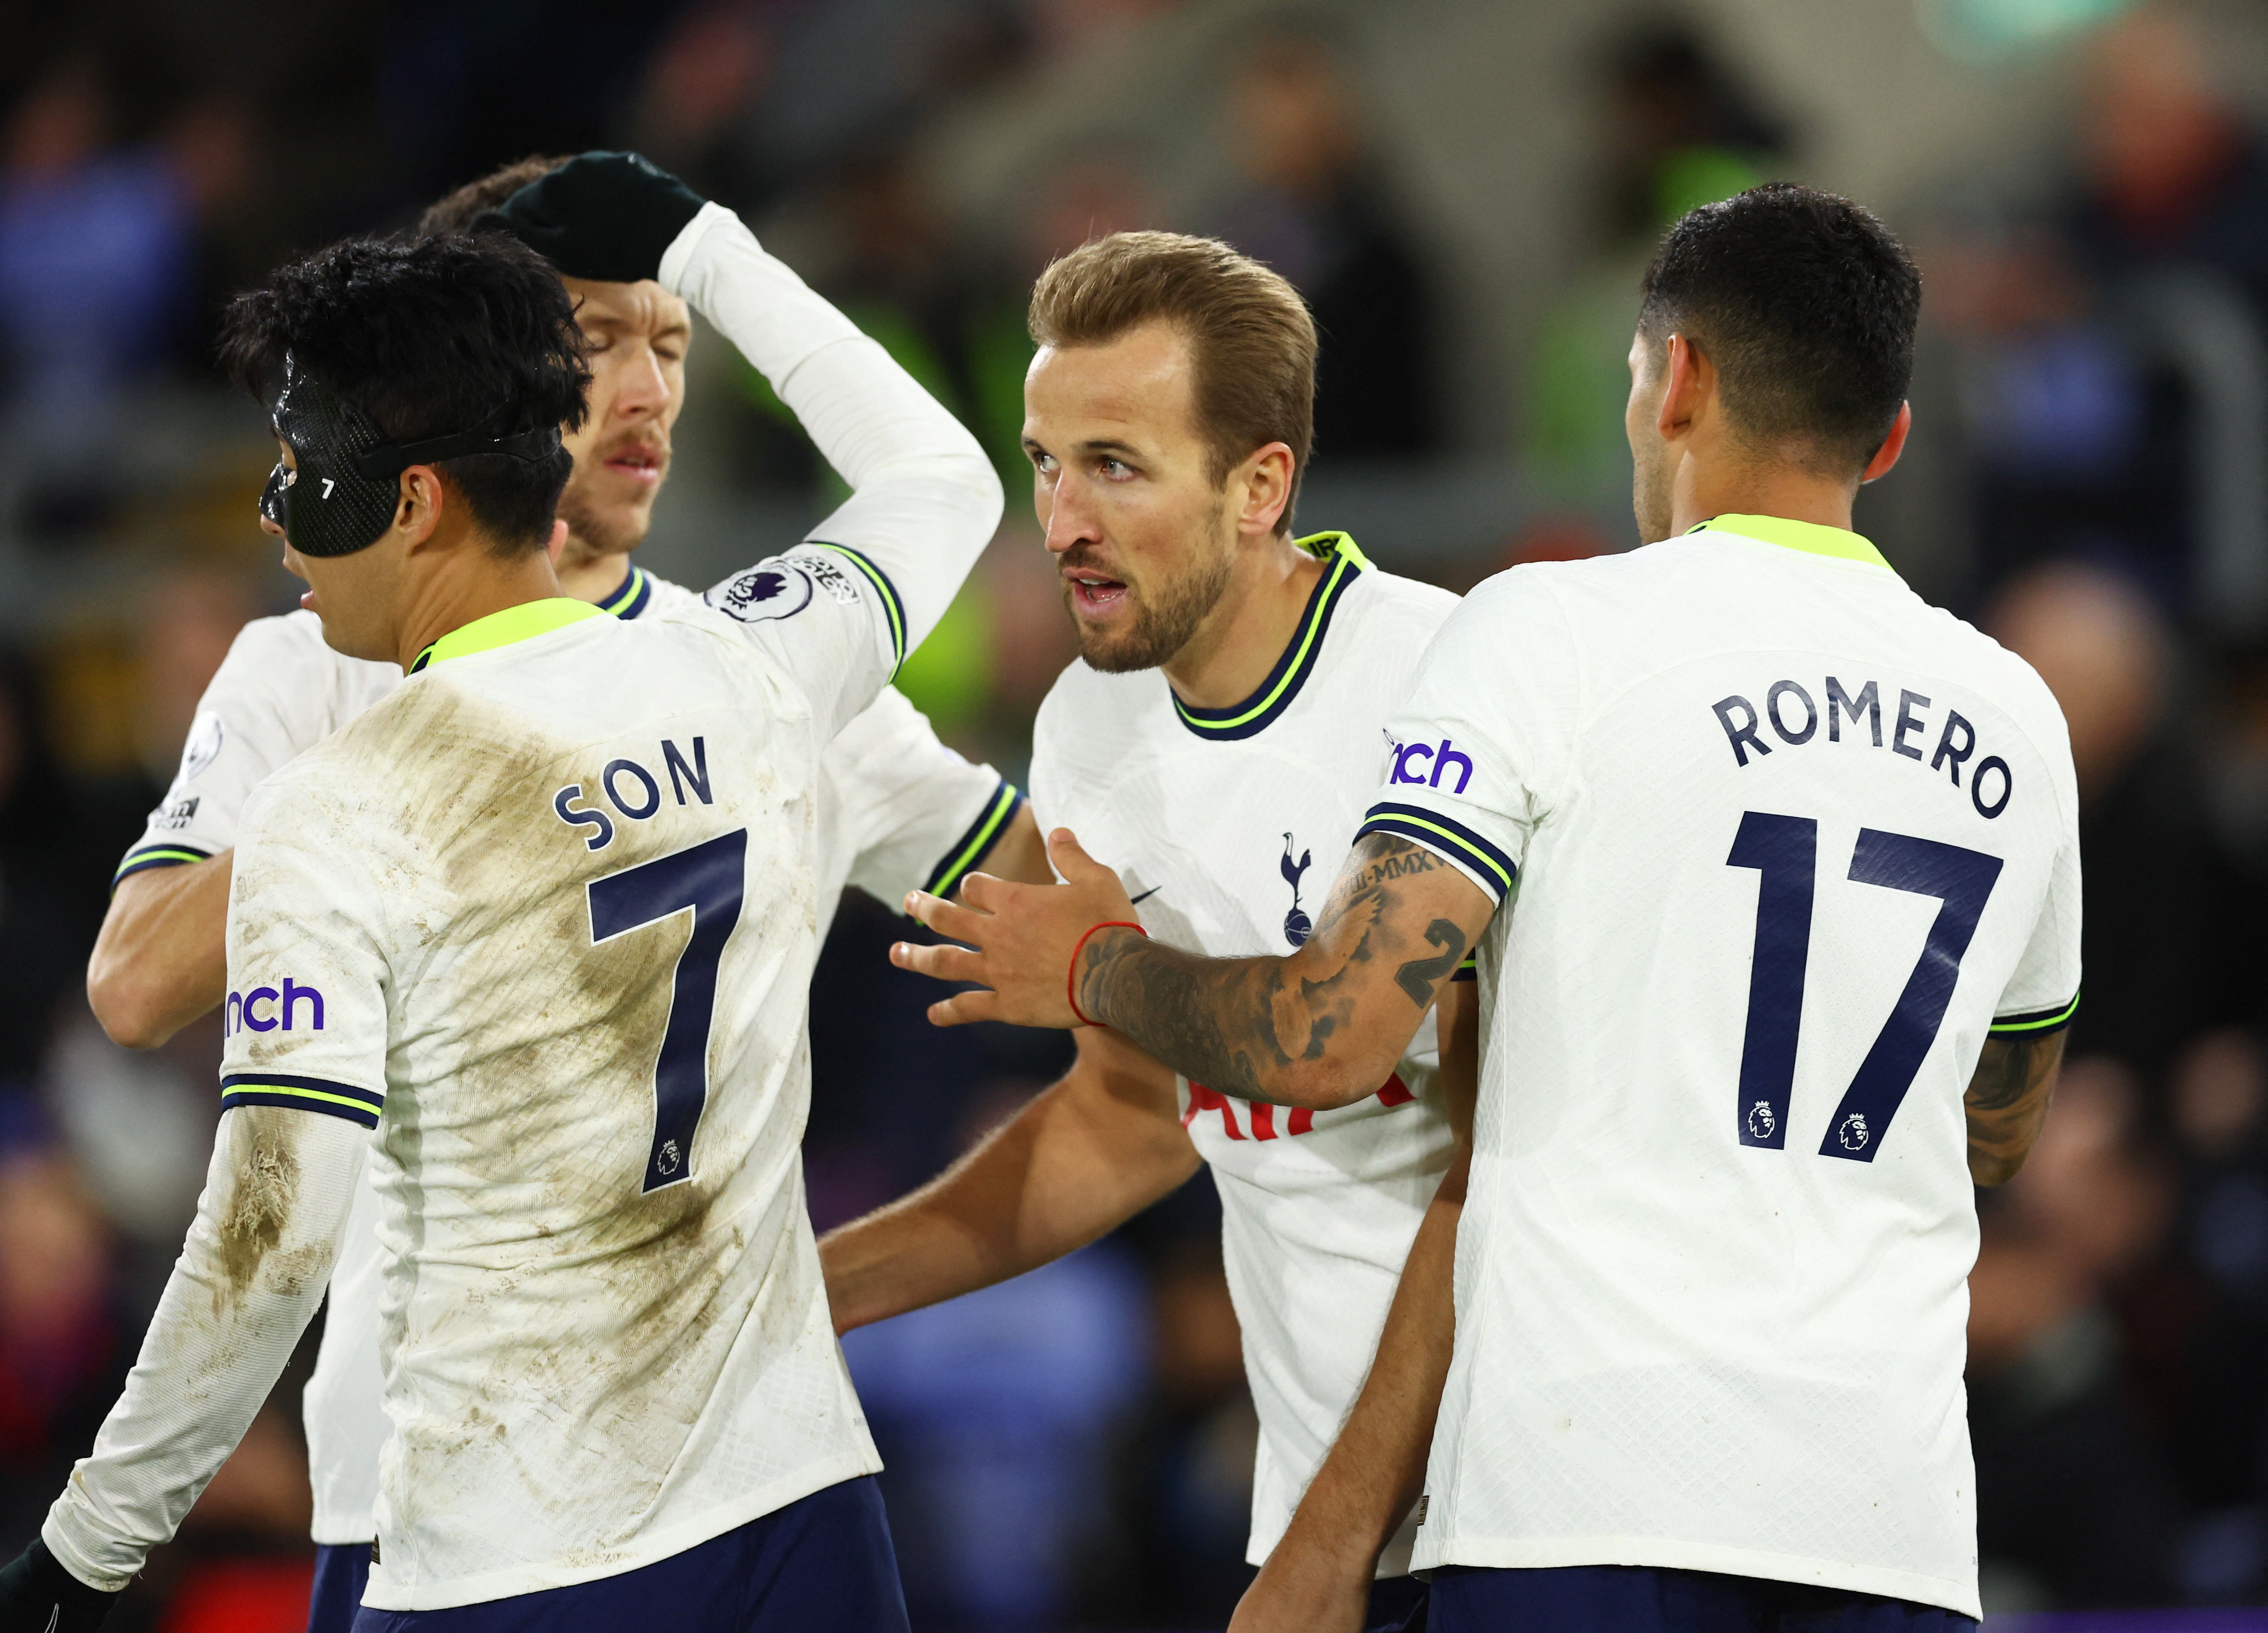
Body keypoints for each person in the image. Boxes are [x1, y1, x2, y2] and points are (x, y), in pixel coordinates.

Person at [894, 184, 2081, 1632]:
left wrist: (1094, 964)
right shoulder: (2019, 714)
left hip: (1581, 1490)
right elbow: (1994, 1128)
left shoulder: (1550, 634)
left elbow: (1328, 1031)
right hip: (1884, 1512)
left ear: (1677, 380)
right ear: (1889, 439)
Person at [0, 153, 1001, 1631]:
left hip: (500, 1534)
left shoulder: (340, 809)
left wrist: (91, 1541)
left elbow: (271, 1229)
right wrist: (714, 244)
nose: (648, 392)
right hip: (788, 1506)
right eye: (603, 346)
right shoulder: (762, 662)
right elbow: (945, 483)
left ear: (414, 492)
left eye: (673, 341)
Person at [817, 229, 1467, 1633]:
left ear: (1260, 485)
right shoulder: (1089, 726)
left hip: (1510, 1498)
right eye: (1044, 464)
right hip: (1335, 1518)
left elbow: (1508, 1160)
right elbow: (1134, 1117)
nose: (1059, 522)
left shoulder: (1443, 686)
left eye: (1114, 465)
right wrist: (806, 1301)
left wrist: (1331, 1543)